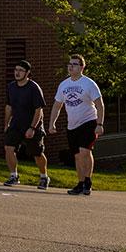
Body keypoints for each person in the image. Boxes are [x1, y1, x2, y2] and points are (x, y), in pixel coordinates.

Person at [48, 54, 105, 196]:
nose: (70, 66)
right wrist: (51, 123)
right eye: (69, 64)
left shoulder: (89, 84)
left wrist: (100, 123)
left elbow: (100, 105)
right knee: (78, 155)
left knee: (85, 151)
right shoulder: (64, 84)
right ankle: (80, 183)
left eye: (74, 64)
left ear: (82, 67)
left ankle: (88, 181)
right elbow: (57, 105)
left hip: (89, 121)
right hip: (72, 125)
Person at [3, 60, 50, 190]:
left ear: (27, 73)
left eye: (21, 70)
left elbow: (39, 110)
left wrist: (32, 128)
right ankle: (14, 176)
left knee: (37, 153)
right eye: (16, 70)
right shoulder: (11, 86)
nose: (17, 73)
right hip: (16, 124)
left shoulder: (34, 88)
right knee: (9, 148)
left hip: (32, 126)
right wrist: (6, 124)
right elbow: (9, 106)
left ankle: (44, 177)